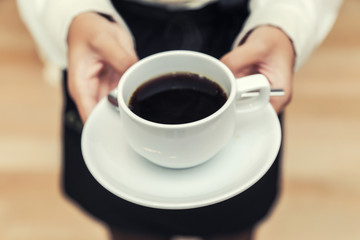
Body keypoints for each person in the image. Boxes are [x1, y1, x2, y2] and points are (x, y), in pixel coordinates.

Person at [17, 0, 342, 239]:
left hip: (241, 36)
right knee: (128, 227)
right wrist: (71, 14)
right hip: (106, 37)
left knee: (234, 224)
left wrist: (285, 20)